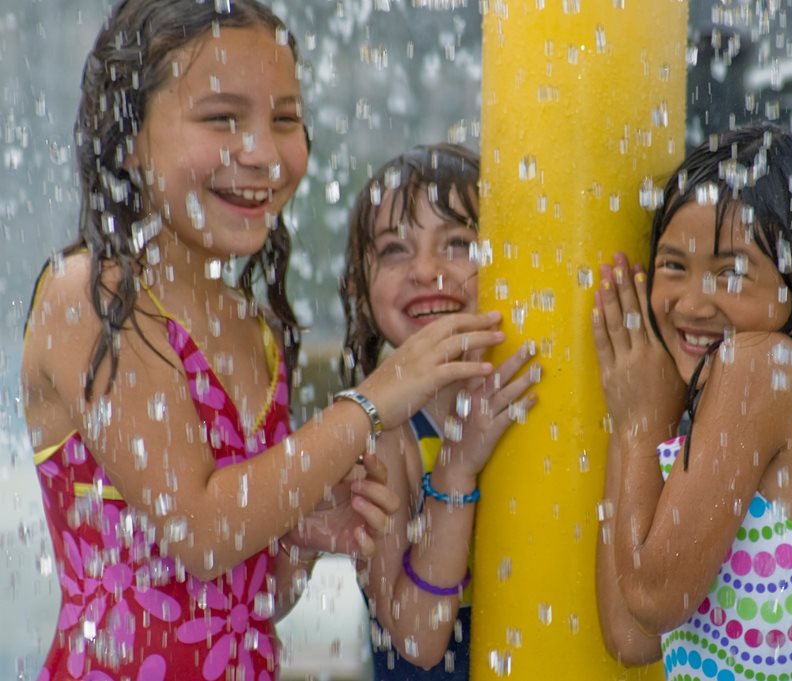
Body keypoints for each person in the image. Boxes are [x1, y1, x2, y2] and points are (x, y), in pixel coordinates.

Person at [20, 4, 509, 680]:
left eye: (284, 120)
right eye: (223, 119)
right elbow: (199, 533)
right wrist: (370, 402)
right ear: (128, 136)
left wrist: (300, 540)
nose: (261, 153)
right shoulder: (93, 297)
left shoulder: (253, 328)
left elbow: (250, 599)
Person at [592, 124, 792, 681]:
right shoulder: (788, 388)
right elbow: (631, 634)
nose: (694, 302)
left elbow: (652, 593)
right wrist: (637, 415)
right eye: (674, 265)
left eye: (733, 273)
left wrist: (640, 423)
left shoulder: (764, 366)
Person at [337, 143, 540, 679]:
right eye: (394, 250)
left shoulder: (535, 387)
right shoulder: (382, 435)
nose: (427, 270)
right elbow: (417, 636)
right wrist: (455, 465)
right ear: (359, 288)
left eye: (458, 244)